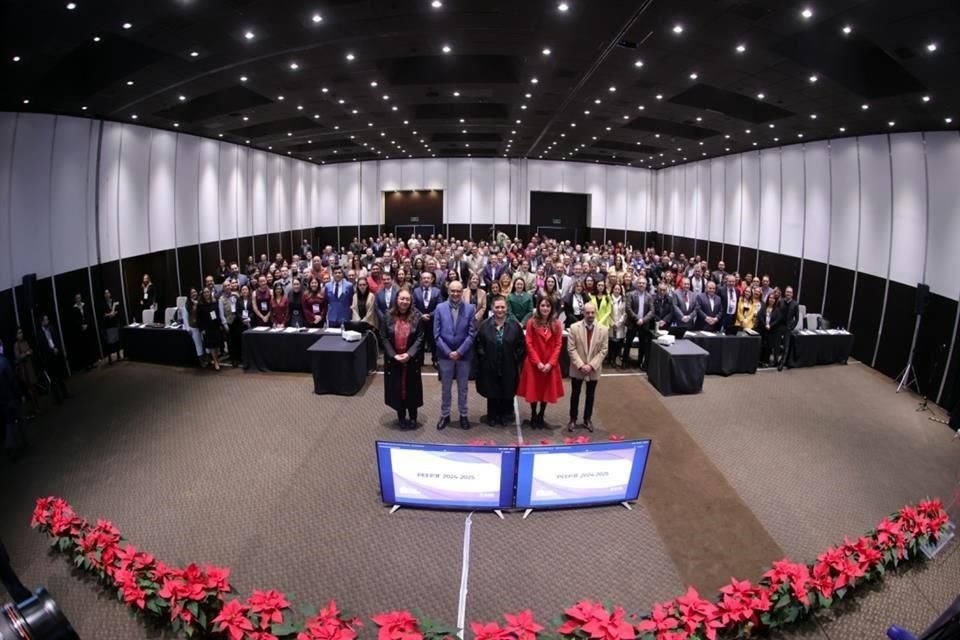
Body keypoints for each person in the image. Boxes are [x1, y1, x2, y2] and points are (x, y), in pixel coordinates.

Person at [475, 295, 525, 426]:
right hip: (490, 365)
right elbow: (479, 344)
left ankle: (505, 415)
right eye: (497, 307)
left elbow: (521, 346)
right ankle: (492, 415)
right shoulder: (485, 325)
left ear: (507, 308)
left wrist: (514, 358)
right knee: (492, 391)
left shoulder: (515, 326)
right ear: (492, 308)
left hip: (509, 365)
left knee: (507, 390)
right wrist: (484, 358)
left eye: (502, 307)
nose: (500, 310)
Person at [434, 280, 477, 430]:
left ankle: (463, 415)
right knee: (446, 388)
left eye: (458, 291)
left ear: (462, 292)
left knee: (463, 388)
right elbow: (436, 335)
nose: (455, 294)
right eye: (453, 291)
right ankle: (445, 415)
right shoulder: (439, 308)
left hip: (463, 356)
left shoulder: (471, 309)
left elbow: (472, 334)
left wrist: (459, 352)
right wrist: (448, 352)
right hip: (445, 356)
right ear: (448, 291)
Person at [516, 297, 564, 428]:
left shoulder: (556, 324)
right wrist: (538, 362)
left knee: (545, 391)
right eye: (542, 305)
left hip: (549, 364)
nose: (545, 308)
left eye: (548, 306)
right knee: (534, 390)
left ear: (551, 308)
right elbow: (529, 343)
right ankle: (533, 414)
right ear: (538, 307)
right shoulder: (531, 322)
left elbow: (559, 345)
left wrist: (550, 363)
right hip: (534, 363)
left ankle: (541, 415)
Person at [382, 289, 424, 429]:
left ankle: (413, 418)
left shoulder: (417, 316)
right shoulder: (388, 315)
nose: (404, 302)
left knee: (412, 390)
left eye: (407, 299)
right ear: (397, 299)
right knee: (397, 389)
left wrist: (409, 354)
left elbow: (420, 338)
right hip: (394, 361)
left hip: (411, 361)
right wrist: (393, 355)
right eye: (402, 299)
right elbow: (384, 337)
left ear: (411, 301)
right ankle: (401, 417)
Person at [567, 302, 608, 432]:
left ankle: (587, 419)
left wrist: (591, 366)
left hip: (593, 369)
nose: (590, 315)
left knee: (590, 395)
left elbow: (604, 350)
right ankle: (573, 419)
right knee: (575, 394)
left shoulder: (604, 329)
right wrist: (581, 365)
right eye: (587, 312)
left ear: (595, 312)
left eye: (592, 312)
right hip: (577, 368)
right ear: (583, 313)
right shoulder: (574, 328)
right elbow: (571, 349)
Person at [36, 314, 68, 404]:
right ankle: (58, 398)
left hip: (56, 354)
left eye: (47, 319)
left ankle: (65, 394)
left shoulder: (52, 328)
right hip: (48, 357)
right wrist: (50, 351)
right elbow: (41, 347)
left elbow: (56, 339)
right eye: (46, 320)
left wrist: (57, 347)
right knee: (53, 379)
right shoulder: (39, 334)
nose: (48, 321)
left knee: (60, 375)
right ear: (42, 322)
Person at [624, 277, 654, 368]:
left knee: (642, 344)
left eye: (643, 283)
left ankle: (640, 362)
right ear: (637, 284)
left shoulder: (649, 296)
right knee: (628, 343)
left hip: (644, 324)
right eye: (640, 283)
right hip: (632, 323)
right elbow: (628, 308)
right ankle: (625, 362)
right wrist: (637, 319)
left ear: (646, 285)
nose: (641, 285)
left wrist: (643, 320)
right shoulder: (630, 294)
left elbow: (652, 311)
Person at [413, 272, 442, 367]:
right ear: (421, 280)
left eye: (428, 278)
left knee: (433, 341)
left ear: (432, 279)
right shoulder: (415, 291)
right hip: (419, 321)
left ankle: (435, 360)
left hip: (432, 321)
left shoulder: (437, 291)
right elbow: (413, 306)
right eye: (424, 278)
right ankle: (419, 360)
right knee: (419, 341)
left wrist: (430, 315)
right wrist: (421, 315)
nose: (426, 280)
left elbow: (439, 305)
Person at [13, 328, 40, 418]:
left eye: (21, 332)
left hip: (30, 367)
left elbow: (30, 350)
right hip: (25, 371)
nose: (21, 334)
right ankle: (34, 408)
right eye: (19, 333)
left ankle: (37, 407)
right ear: (16, 335)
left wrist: (30, 352)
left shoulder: (25, 342)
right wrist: (26, 354)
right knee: (30, 390)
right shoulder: (16, 345)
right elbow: (17, 357)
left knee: (34, 388)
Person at [197, 287, 223, 371]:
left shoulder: (214, 302)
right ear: (203, 294)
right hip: (207, 328)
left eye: (208, 292)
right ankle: (216, 362)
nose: (206, 294)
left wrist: (220, 324)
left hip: (215, 326)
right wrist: (202, 329)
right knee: (211, 345)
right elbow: (199, 318)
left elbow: (217, 314)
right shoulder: (200, 305)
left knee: (217, 344)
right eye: (205, 292)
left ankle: (217, 359)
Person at [70, 293, 98, 370]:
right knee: (84, 348)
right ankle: (87, 365)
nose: (78, 299)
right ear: (75, 299)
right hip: (80, 331)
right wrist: (81, 325)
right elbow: (75, 320)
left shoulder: (84, 305)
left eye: (79, 297)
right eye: (77, 298)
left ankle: (92, 363)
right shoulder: (74, 308)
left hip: (88, 328)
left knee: (90, 346)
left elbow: (88, 315)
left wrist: (87, 324)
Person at [776, 286, 799, 370]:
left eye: (790, 292)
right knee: (777, 344)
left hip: (788, 327)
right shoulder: (780, 301)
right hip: (779, 326)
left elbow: (797, 318)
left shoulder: (795, 304)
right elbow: (776, 313)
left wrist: (792, 327)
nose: (788, 293)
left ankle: (782, 363)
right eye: (787, 292)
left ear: (792, 294)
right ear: (785, 293)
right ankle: (776, 361)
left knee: (786, 346)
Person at [758, 290, 783, 367]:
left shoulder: (777, 310)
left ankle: (766, 361)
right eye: (770, 298)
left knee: (769, 347)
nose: (771, 299)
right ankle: (760, 361)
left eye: (773, 298)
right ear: (768, 299)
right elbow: (760, 316)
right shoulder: (763, 308)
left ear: (775, 300)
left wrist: (770, 326)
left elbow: (778, 320)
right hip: (763, 330)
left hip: (771, 331)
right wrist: (765, 324)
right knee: (762, 346)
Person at [607, 283, 627, 368]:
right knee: (610, 343)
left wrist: (619, 323)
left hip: (620, 325)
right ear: (613, 289)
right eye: (615, 289)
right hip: (610, 324)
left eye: (618, 289)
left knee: (618, 343)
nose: (617, 290)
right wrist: (611, 323)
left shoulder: (623, 300)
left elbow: (625, 313)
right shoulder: (608, 298)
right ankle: (609, 359)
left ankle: (615, 359)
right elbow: (607, 312)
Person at [102, 289, 122, 363]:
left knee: (116, 340)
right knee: (109, 342)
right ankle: (110, 358)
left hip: (114, 323)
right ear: (104, 295)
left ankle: (118, 356)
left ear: (110, 294)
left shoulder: (114, 301)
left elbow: (118, 310)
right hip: (108, 325)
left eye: (108, 293)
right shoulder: (103, 303)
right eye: (105, 293)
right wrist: (110, 314)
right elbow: (104, 314)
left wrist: (114, 313)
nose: (107, 294)